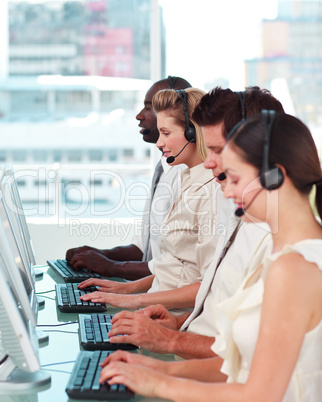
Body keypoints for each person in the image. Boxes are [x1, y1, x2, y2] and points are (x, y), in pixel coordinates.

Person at [99, 111, 322, 401]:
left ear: (275, 176)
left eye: (235, 178)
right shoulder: (281, 255)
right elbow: (245, 367)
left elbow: (260, 393)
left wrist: (159, 385)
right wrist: (157, 369)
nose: (226, 190)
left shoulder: (295, 267)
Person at [105, 87, 285, 358]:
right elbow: (214, 302)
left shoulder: (279, 243)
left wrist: (164, 339)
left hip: (187, 351)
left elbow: (249, 359)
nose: (210, 163)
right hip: (181, 335)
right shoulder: (241, 217)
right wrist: (174, 324)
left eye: (217, 150)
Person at [78, 88, 223, 313]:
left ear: (193, 132)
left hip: (173, 316)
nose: (158, 143)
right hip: (155, 307)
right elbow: (173, 267)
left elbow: (209, 284)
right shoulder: (186, 179)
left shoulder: (213, 192)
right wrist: (125, 289)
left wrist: (134, 300)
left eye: (166, 133)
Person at [65, 76, 192, 281]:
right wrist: (99, 255)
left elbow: (177, 268)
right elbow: (144, 248)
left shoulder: (186, 175)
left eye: (149, 108)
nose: (139, 116)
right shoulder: (164, 166)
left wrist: (110, 267)